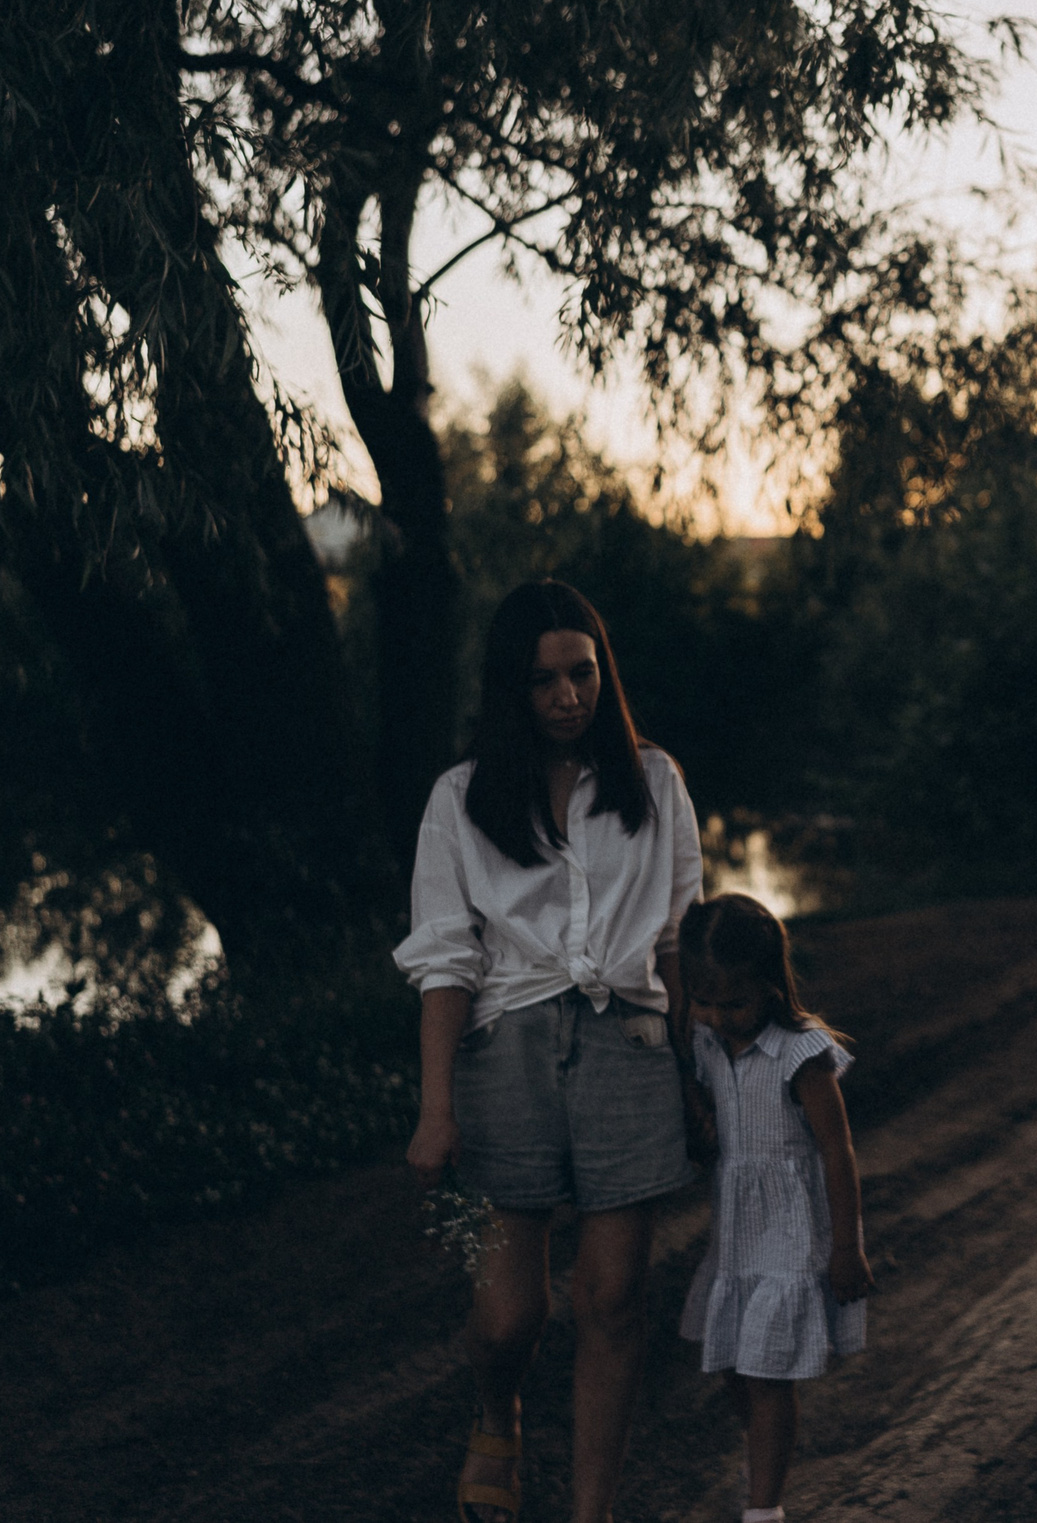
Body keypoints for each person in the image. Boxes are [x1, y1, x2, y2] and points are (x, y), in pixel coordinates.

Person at [396, 580, 703, 1523]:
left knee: (613, 1299)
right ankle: (498, 1409)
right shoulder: (460, 798)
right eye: (543, 681)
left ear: (603, 673)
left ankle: (590, 1512)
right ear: (510, 689)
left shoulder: (654, 783)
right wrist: (436, 1105)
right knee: (509, 1314)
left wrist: (701, 1076)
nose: (568, 695)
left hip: (631, 1046)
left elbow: (681, 940)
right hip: (507, 1054)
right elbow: (447, 957)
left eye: (583, 672)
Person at [673, 893, 871, 1523]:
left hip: (789, 1232)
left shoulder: (800, 1053)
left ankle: (765, 1508)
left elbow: (837, 1152)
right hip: (736, 1232)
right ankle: (763, 1459)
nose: (716, 1015)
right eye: (702, 1001)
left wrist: (846, 1247)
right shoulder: (707, 1044)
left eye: (733, 1002)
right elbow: (712, 1113)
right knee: (734, 1362)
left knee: (764, 1372)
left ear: (770, 985)